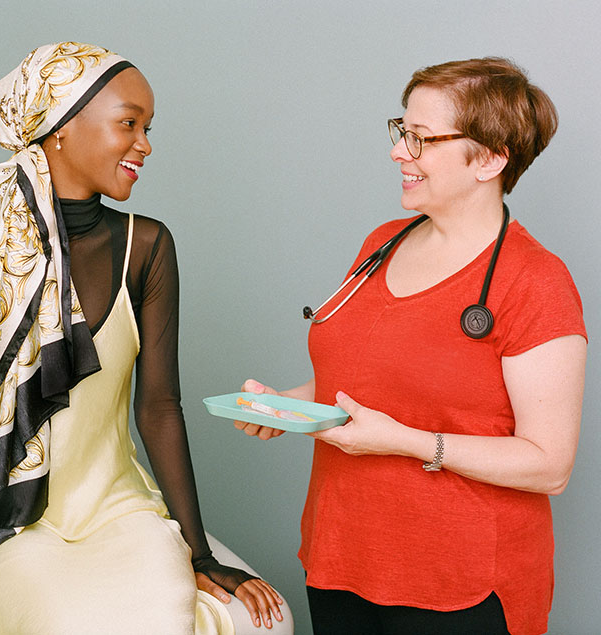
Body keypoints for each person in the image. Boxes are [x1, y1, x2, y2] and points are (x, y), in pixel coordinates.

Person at [0, 42, 282, 635]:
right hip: (11, 525)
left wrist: (200, 554)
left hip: (121, 512)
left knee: (161, 620)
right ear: (60, 127)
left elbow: (158, 407)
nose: (146, 144)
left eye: (148, 127)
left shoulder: (148, 247)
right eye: (129, 124)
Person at [235, 57, 586, 635]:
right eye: (402, 132)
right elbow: (363, 386)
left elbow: (550, 464)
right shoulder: (382, 244)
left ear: (492, 158)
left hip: (461, 587)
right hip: (341, 560)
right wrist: (285, 404)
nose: (399, 152)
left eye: (421, 139)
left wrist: (402, 442)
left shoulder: (535, 281)